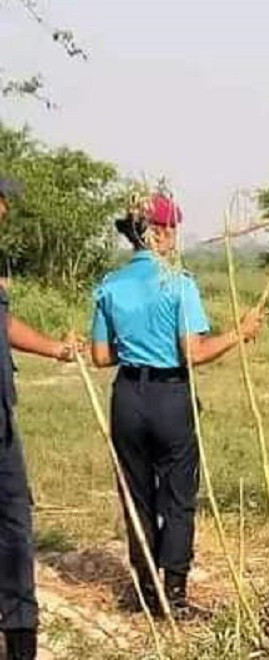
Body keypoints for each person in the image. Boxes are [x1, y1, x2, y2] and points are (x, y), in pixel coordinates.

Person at [90, 193, 262, 618]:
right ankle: (176, 593)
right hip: (170, 397)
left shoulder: (110, 286)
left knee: (136, 495)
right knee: (179, 496)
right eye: (172, 229)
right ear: (159, 232)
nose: (175, 237)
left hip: (128, 396)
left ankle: (146, 590)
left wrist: (135, 346)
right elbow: (193, 352)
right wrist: (239, 333)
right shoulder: (178, 283)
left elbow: (99, 356)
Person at [0, 176, 85, 660]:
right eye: (0, 201)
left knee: (15, 526)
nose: (6, 211)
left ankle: (20, 637)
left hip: (3, 420)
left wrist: (54, 348)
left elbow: (4, 322)